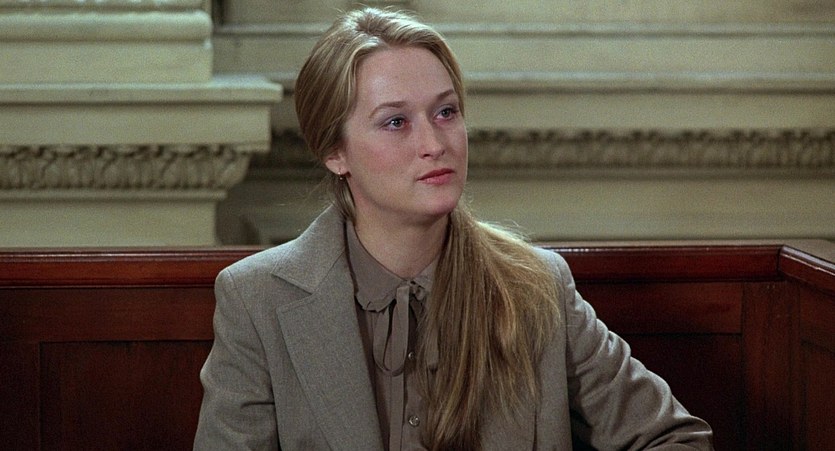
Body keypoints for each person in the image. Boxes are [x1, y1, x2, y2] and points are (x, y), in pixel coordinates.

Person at [194, 7, 714, 450]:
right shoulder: (256, 299)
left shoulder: (536, 287)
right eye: (396, 122)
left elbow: (676, 439)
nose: (434, 143)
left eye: (445, 112)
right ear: (335, 152)